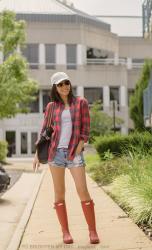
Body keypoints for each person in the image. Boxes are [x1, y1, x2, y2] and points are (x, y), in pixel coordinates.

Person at [33, 72, 100, 244]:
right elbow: (44, 132)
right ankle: (65, 232)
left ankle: (92, 231)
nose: (64, 86)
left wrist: (80, 145)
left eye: (67, 83)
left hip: (74, 153)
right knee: (59, 193)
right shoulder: (51, 107)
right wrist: (36, 154)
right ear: (55, 87)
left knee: (82, 191)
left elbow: (86, 128)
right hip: (55, 154)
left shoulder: (81, 103)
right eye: (60, 84)